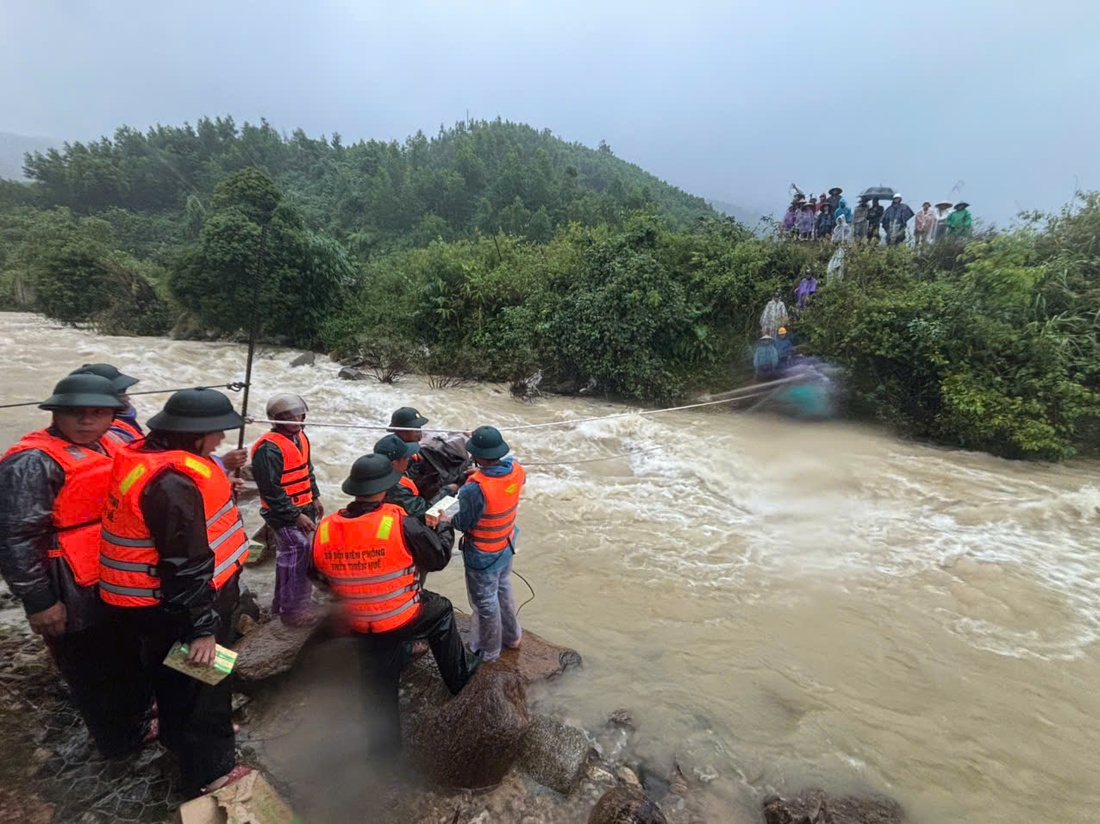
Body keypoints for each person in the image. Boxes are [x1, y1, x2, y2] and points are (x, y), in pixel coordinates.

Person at [98, 387, 250, 795]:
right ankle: (212, 771)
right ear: (196, 434)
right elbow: (186, 564)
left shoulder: (144, 456)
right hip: (185, 603)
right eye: (216, 433)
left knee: (172, 676)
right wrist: (202, 626)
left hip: (150, 603)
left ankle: (175, 737)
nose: (220, 440)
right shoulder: (173, 483)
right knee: (206, 685)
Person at [0, 374, 144, 757]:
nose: (86, 421)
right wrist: (39, 601)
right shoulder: (32, 463)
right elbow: (13, 538)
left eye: (98, 413)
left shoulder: (117, 441)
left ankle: (141, 715)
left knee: (127, 652)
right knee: (90, 667)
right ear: (55, 413)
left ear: (114, 414)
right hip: (69, 583)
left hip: (115, 572)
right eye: (74, 413)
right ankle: (120, 745)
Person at [311, 454, 477, 758]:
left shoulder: (324, 529)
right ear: (385, 489)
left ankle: (384, 751)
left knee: (377, 675)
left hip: (356, 620)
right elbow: (438, 558)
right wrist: (441, 527)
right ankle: (459, 677)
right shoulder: (398, 524)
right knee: (440, 610)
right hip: (399, 616)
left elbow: (316, 574)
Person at [70, 363, 248, 472]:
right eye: (121, 393)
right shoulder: (101, 433)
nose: (127, 398)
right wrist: (221, 464)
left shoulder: (117, 427)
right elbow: (153, 466)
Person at [452, 426, 525, 662]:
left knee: (485, 602)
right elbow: (504, 479)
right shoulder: (516, 469)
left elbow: (463, 522)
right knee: (503, 588)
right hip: (506, 543)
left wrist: (445, 516)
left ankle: (489, 651)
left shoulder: (475, 488)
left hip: (483, 554)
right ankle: (513, 637)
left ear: (477, 457)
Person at [251, 393, 322, 626]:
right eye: (291, 417)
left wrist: (316, 497)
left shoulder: (300, 438)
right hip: (281, 512)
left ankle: (282, 604)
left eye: (299, 415)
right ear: (278, 419)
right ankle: (293, 610)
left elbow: (306, 470)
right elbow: (271, 491)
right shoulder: (268, 450)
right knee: (299, 549)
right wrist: (295, 515)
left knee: (292, 555)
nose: (297, 420)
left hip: (303, 505)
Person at [70, 363, 143, 443]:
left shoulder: (122, 419)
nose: (127, 398)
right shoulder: (109, 435)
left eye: (124, 391)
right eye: (119, 393)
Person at [373, 433, 430, 519]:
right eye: (405, 457)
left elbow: (409, 472)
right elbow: (423, 512)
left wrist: (418, 462)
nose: (408, 459)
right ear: (394, 463)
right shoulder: (396, 488)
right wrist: (447, 491)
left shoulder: (378, 472)